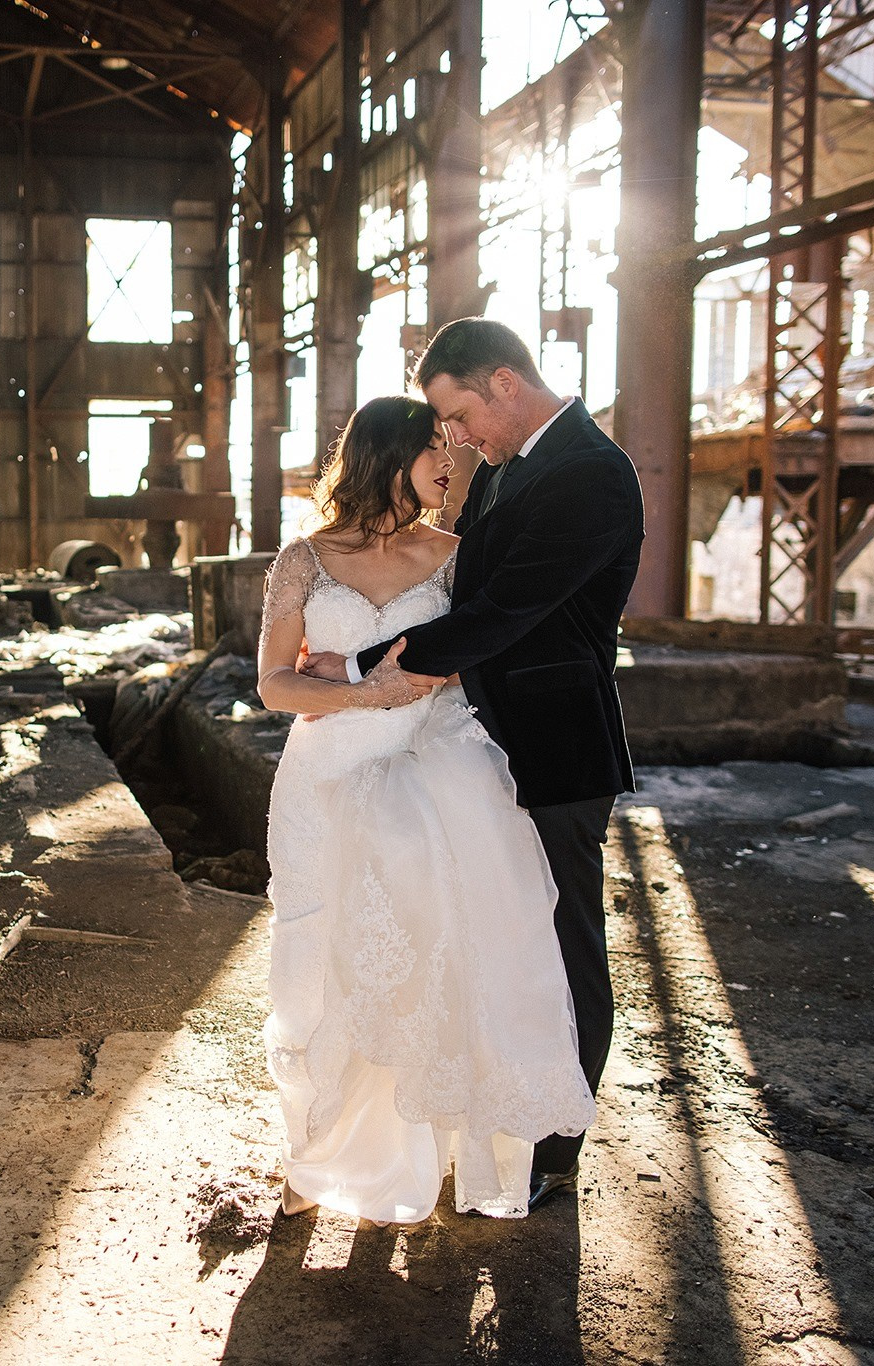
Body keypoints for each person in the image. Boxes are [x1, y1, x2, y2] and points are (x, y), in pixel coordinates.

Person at [298, 318, 645, 1213]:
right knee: (497, 935)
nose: (457, 438)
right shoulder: (503, 469)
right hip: (481, 740)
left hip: (557, 747)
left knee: (563, 942)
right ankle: (492, 1114)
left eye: (460, 414)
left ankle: (557, 1144)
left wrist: (368, 661)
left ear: (503, 383)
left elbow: (503, 611)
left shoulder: (591, 474)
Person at [256, 394, 596, 1224]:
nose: (453, 461)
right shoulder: (301, 560)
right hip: (325, 780)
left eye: (455, 443)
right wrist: (367, 692)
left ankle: (421, 1155)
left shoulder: (458, 555)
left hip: (432, 775)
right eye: (436, 447)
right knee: (323, 964)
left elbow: (477, 651)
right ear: (386, 453)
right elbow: (273, 686)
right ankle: (318, 1155)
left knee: (431, 958)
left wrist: (392, 686)